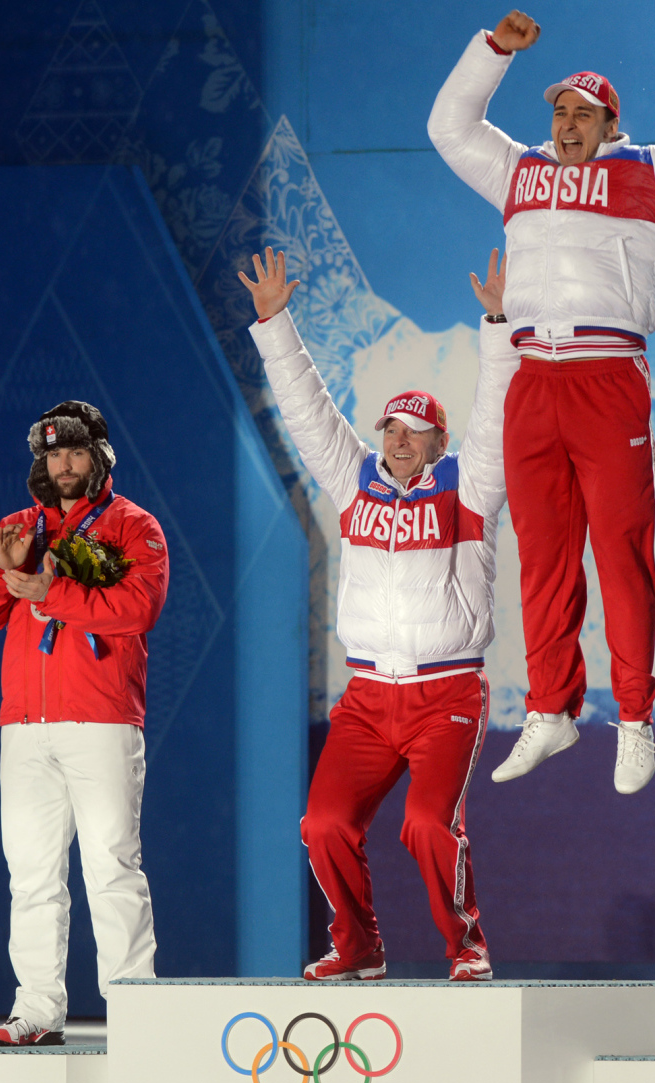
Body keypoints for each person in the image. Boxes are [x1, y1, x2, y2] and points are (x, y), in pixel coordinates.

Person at [428, 11, 655, 793]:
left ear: (613, 123)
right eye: (559, 111)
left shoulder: (651, 172)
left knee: (619, 552)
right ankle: (550, 711)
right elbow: (449, 126)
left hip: (608, 375)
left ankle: (636, 720)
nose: (566, 123)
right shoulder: (520, 171)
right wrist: (494, 51)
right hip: (531, 376)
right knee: (543, 556)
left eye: (583, 113)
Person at [241, 246, 518, 981]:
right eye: (389, 427)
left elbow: (497, 419)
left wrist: (497, 325)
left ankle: (467, 946)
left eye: (414, 430)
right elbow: (308, 409)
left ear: (439, 442)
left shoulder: (471, 489)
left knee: (426, 825)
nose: (397, 439)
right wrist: (274, 323)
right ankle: (359, 947)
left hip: (445, 696)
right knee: (324, 824)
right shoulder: (352, 481)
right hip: (367, 699)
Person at [0, 401, 169, 1047]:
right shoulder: (18, 525)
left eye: (76, 453)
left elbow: (139, 609)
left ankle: (134, 1012)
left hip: (100, 719)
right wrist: (6, 571)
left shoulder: (134, 526)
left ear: (99, 456)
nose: (64, 465)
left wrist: (48, 592)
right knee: (30, 875)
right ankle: (37, 1010)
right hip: (24, 726)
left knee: (110, 865)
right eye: (54, 455)